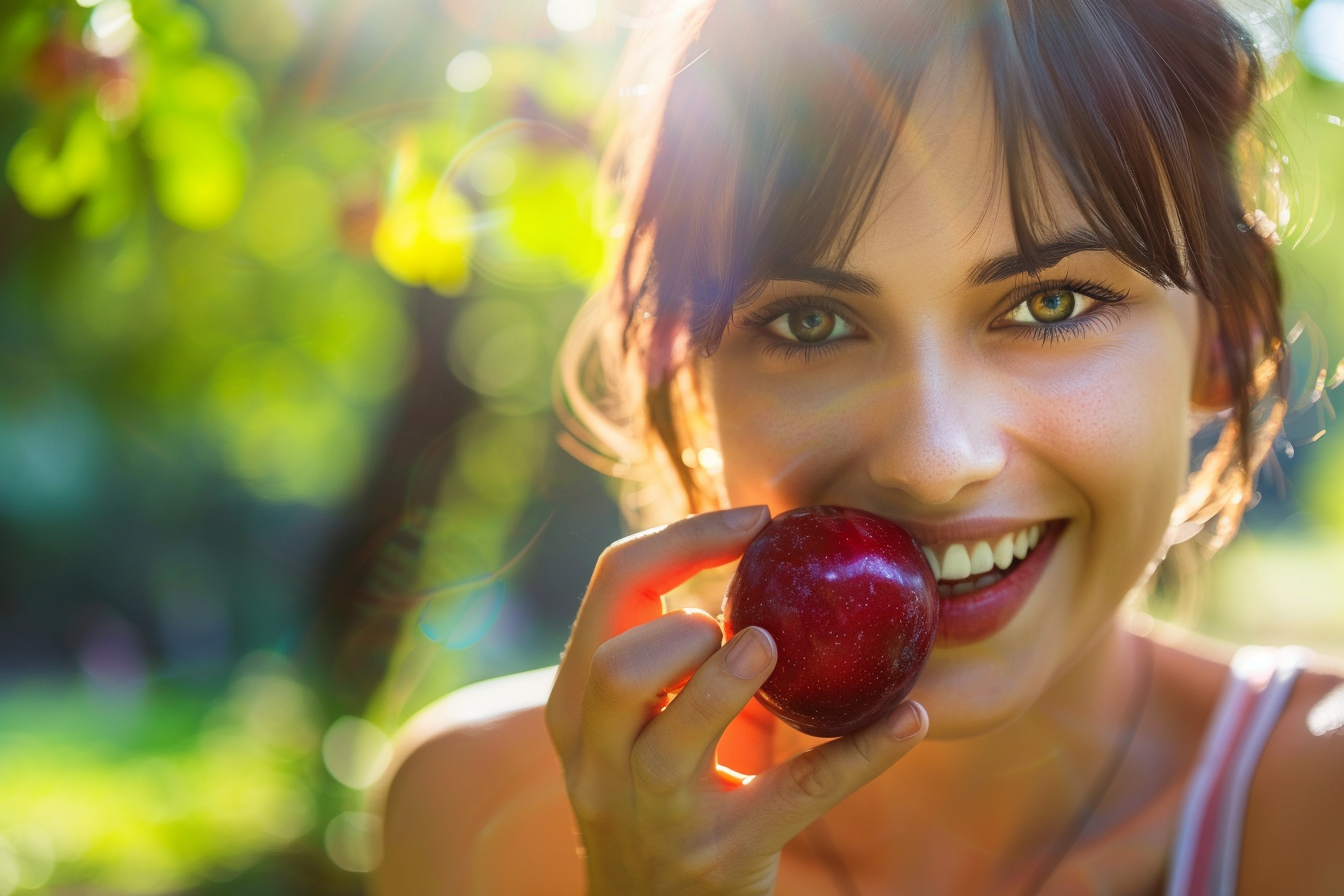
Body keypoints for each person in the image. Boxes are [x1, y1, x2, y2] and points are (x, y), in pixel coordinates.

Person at [374, 0, 1344, 892]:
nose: (933, 458)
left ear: (1226, 340)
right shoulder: (484, 811)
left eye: (1050, 304)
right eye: (812, 322)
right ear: (688, 372)